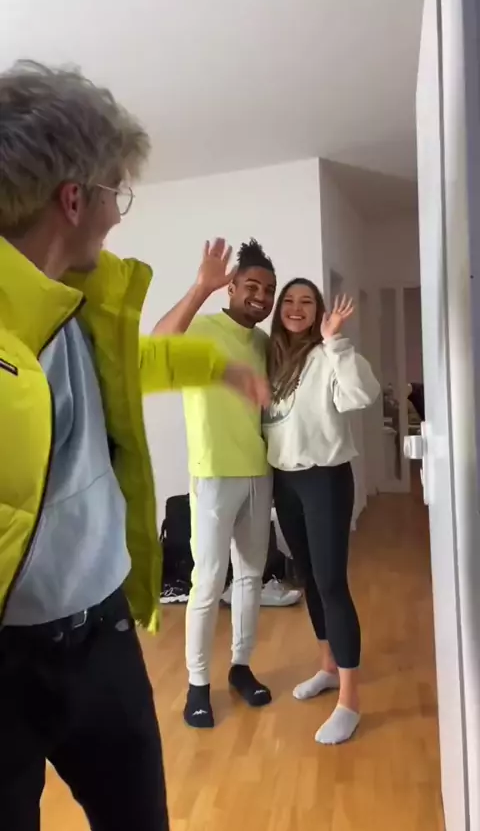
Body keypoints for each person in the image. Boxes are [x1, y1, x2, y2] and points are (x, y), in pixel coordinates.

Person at [0, 60, 269, 831]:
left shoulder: (81, 306)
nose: (119, 216)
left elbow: (125, 370)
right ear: (73, 199)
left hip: (102, 636)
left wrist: (213, 367)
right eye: (115, 194)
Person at [153, 238, 277, 727]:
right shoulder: (202, 328)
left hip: (259, 472)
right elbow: (158, 343)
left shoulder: (263, 343)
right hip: (213, 473)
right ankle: (197, 684)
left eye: (268, 290)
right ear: (232, 287)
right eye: (253, 286)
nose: (261, 297)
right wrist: (199, 287)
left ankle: (241, 667)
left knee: (250, 577)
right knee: (207, 582)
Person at [263, 279, 380, 745]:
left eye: (306, 302)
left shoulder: (328, 354)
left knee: (331, 583)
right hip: (285, 481)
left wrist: (335, 341)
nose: (296, 308)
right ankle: (328, 668)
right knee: (308, 578)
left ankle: (349, 702)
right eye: (289, 301)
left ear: (318, 311)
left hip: (325, 479)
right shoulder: (274, 360)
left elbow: (363, 395)